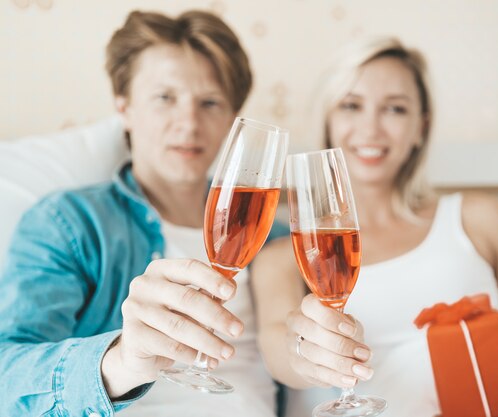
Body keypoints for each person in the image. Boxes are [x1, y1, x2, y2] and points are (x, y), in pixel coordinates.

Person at [252, 36, 498, 417]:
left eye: (395, 109)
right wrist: (304, 352)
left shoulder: (475, 218)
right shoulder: (285, 259)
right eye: (351, 105)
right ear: (328, 121)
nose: (371, 128)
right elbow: (280, 352)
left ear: (421, 127)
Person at [0, 10, 287, 417]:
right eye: (164, 98)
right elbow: (6, 377)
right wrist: (118, 361)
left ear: (231, 120)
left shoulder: (274, 237)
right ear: (125, 108)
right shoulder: (69, 224)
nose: (188, 123)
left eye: (210, 102)